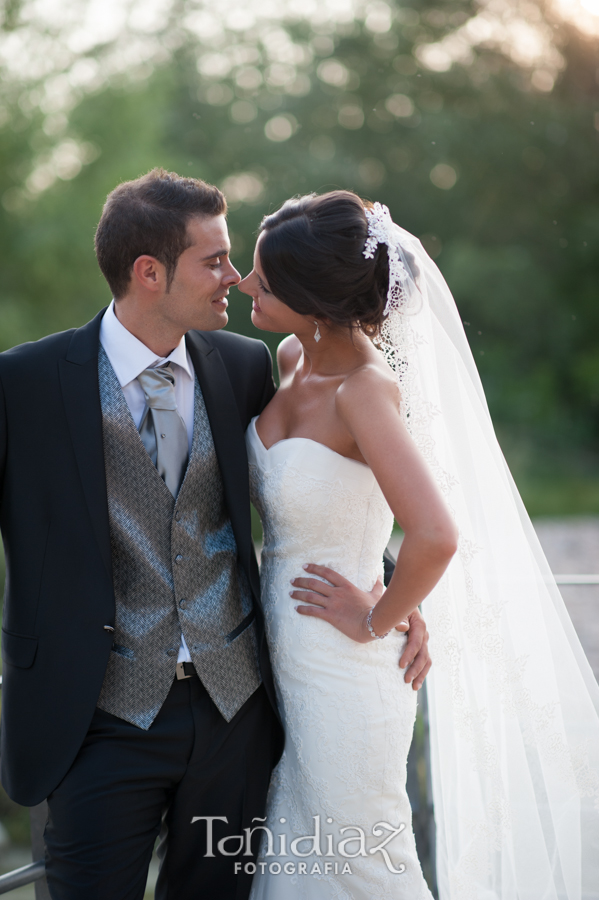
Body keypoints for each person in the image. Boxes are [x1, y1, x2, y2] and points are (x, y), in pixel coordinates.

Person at [0, 169, 431, 900]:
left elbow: (320, 484)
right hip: (95, 721)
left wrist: (388, 588)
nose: (233, 275)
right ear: (148, 272)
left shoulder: (244, 364)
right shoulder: (25, 384)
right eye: (213, 260)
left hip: (237, 718)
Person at [239, 190, 599, 898]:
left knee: (360, 863)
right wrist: (384, 581)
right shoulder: (289, 356)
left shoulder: (363, 392)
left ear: (313, 302)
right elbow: (346, 507)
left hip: (344, 676)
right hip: (281, 663)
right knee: (298, 866)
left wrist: (377, 617)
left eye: (265, 280)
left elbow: (434, 534)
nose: (245, 286)